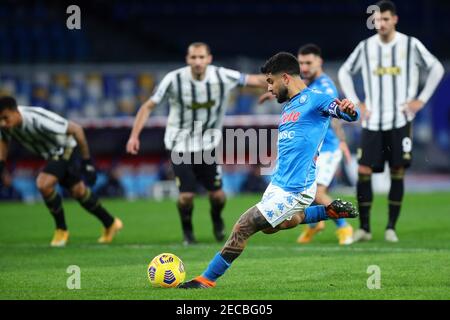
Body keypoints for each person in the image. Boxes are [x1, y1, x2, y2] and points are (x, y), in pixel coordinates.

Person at [178, 52, 360, 289]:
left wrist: (349, 109)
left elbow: (344, 111)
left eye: (271, 82)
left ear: (285, 78)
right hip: (278, 184)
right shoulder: (288, 107)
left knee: (243, 226)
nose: (270, 88)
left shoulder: (317, 99)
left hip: (296, 188)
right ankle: (328, 212)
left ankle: (206, 279)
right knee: (274, 227)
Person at [126, 42, 266, 245]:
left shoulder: (221, 76)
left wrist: (274, 87)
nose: (198, 62)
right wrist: (134, 136)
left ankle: (217, 221)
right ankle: (188, 233)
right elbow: (148, 106)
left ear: (209, 59)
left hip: (207, 145)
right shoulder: (173, 80)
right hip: (179, 144)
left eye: (202, 57)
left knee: (218, 196)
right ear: (187, 59)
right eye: (194, 57)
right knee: (186, 196)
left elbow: (254, 79)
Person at [338, 0, 444, 242]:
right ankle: (364, 228)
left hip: (400, 119)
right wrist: (356, 102)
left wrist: (421, 100)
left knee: (397, 170)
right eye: (377, 20)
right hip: (372, 121)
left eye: (386, 19)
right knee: (364, 170)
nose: (381, 24)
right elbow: (345, 71)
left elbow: (436, 68)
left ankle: (390, 228)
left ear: (394, 19)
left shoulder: (409, 44)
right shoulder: (366, 47)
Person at [0, 96, 123, 247]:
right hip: (51, 155)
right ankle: (111, 223)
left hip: (66, 148)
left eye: (6, 118)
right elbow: (4, 143)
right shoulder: (7, 126)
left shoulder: (37, 118)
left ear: (16, 111)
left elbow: (76, 129)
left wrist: (87, 162)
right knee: (79, 191)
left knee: (43, 184)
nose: (3, 123)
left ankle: (61, 230)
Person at [296, 44, 354, 245]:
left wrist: (342, 141)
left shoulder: (326, 87)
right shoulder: (307, 84)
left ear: (319, 62)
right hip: (314, 149)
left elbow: (336, 116)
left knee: (318, 193)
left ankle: (344, 226)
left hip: (328, 148)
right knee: (303, 191)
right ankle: (315, 224)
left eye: (308, 63)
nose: (303, 67)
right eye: (301, 62)